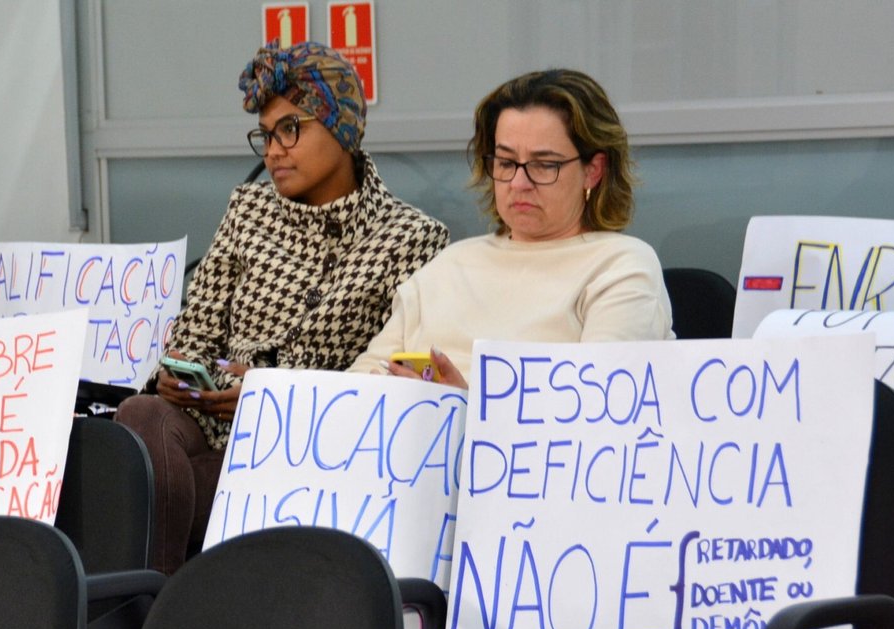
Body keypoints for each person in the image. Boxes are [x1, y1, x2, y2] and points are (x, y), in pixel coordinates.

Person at [116, 41, 449, 574]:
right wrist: (179, 377)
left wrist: (274, 392)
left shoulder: (410, 238)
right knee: (140, 415)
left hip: (316, 455)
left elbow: (396, 383)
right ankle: (150, 609)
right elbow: (198, 327)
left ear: (343, 131)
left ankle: (168, 611)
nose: (273, 150)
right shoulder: (247, 209)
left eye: (291, 129)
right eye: (266, 135)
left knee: (192, 485)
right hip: (208, 433)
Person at [348, 68, 672, 387]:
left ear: (593, 171)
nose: (519, 183)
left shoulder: (620, 265)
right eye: (505, 162)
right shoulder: (447, 265)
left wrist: (465, 407)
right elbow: (363, 383)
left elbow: (599, 405)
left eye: (544, 165)